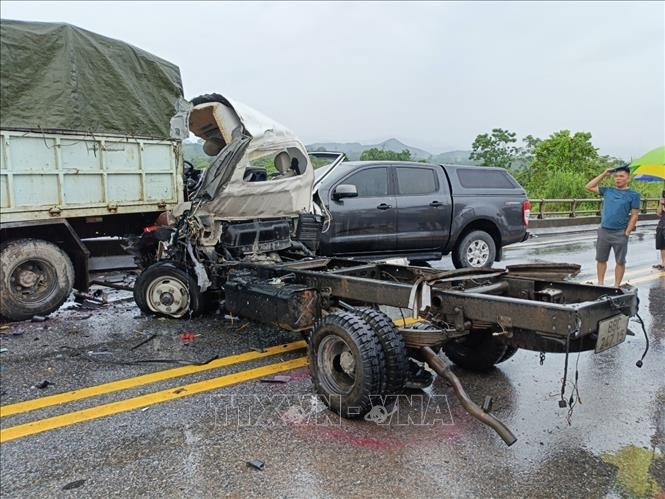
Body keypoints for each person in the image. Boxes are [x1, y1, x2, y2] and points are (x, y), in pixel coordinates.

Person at [584, 164, 641, 287]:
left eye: (621, 176)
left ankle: (616, 286)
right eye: (616, 176)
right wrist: (604, 173)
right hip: (604, 231)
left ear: (628, 178)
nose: (618, 179)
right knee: (601, 259)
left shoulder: (633, 195)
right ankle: (600, 283)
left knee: (620, 261)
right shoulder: (608, 191)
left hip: (620, 232)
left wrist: (627, 232)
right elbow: (589, 186)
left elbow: (634, 215)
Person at [654, 190, 665, 270]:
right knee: (662, 246)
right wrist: (661, 204)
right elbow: (658, 213)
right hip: (661, 226)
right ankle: (663, 263)